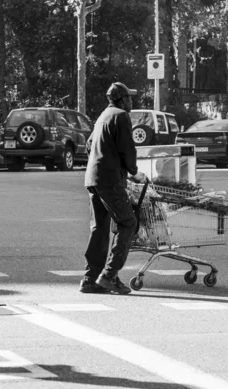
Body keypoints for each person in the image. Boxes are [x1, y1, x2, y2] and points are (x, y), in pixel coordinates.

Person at [80, 82, 147, 294]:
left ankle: (90, 279)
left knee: (99, 228)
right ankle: (109, 275)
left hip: (93, 178)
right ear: (122, 99)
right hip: (109, 180)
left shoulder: (103, 115)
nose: (132, 101)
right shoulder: (121, 116)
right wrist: (134, 172)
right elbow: (128, 149)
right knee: (127, 222)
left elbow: (90, 145)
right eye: (130, 98)